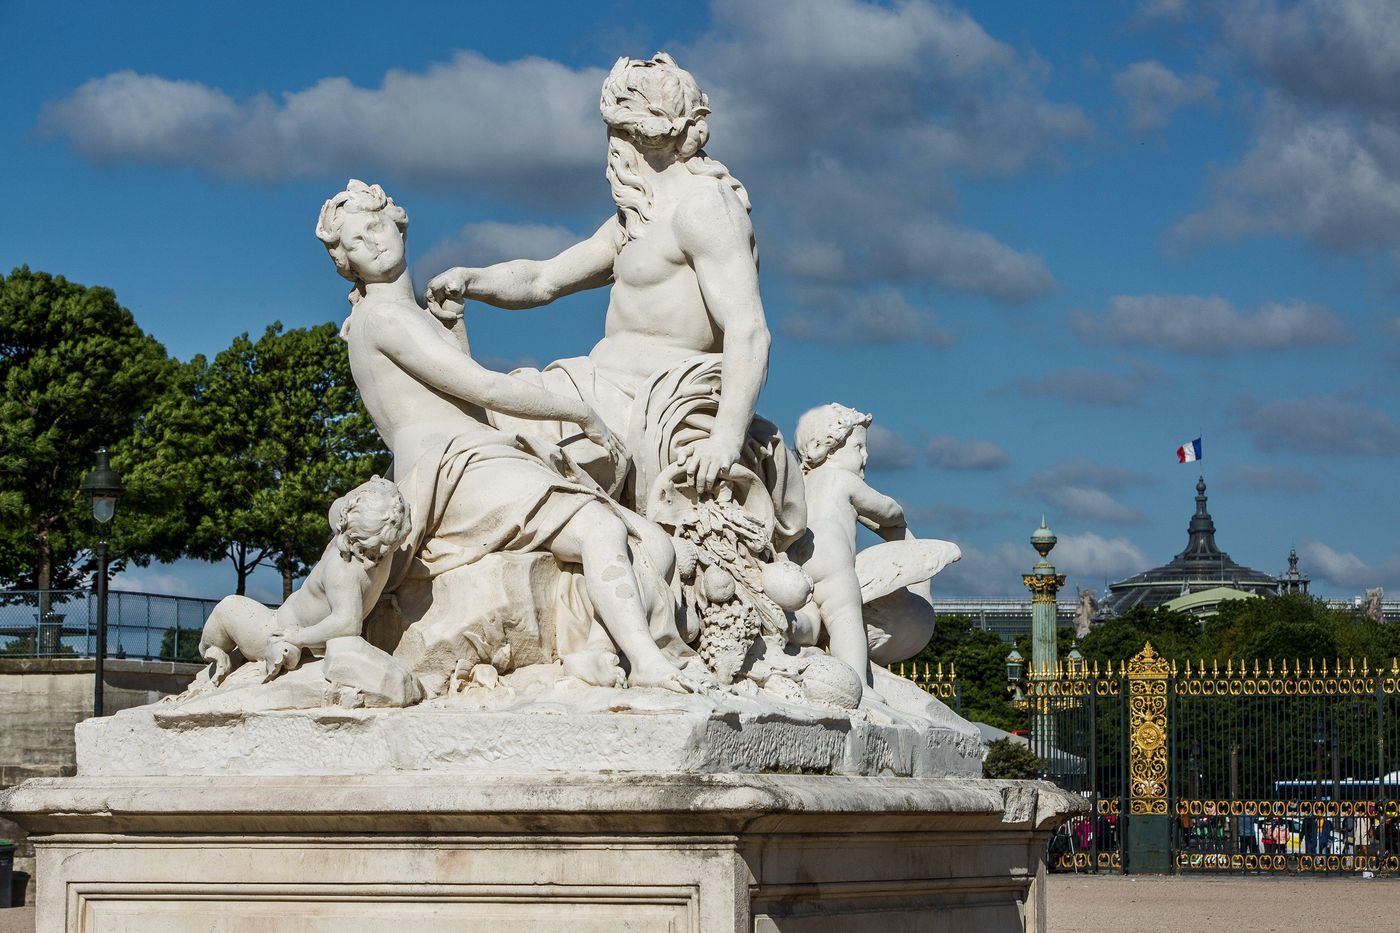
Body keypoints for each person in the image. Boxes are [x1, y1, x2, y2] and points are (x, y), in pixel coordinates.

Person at [317, 179, 705, 693]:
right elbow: (482, 387)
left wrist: (453, 329)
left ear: (397, 220)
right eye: (355, 242)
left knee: (650, 540)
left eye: (374, 224)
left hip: (480, 457)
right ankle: (647, 662)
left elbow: (460, 398)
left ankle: (593, 649)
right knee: (599, 529)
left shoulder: (405, 316)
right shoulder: (385, 316)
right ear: (346, 262)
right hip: (455, 470)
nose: (372, 241)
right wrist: (580, 413)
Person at [424, 53, 803, 545]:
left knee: (505, 451)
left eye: (613, 133)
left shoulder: (705, 208)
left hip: (659, 402)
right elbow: (543, 280)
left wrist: (726, 437)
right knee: (478, 427)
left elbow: (748, 329)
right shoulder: (637, 216)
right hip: (596, 385)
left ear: (634, 134)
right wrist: (471, 279)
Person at [198, 476, 412, 684]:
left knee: (228, 606)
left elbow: (348, 623)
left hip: (276, 632)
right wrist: (380, 487)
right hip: (291, 628)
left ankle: (210, 649)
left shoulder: (344, 568)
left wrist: (297, 637)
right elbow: (339, 507)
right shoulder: (389, 534)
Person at [784, 404, 908, 695]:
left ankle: (788, 630)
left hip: (798, 561)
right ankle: (857, 685)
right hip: (832, 561)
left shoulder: (801, 482)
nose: (865, 456)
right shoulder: (843, 479)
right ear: (824, 448)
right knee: (844, 616)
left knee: (811, 618)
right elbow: (886, 509)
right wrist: (899, 518)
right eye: (858, 447)